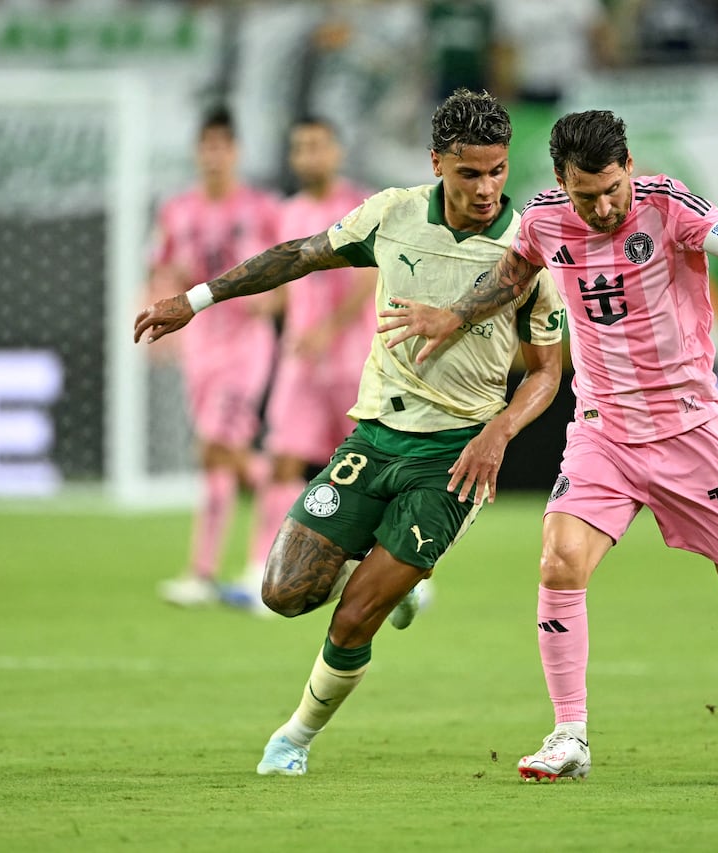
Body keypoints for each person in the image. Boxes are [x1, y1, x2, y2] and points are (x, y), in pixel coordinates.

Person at [379, 109, 718, 781]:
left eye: (612, 189)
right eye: (587, 194)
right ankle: (569, 735)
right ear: (559, 181)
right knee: (559, 561)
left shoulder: (668, 205)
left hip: (691, 430)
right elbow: (514, 274)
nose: (603, 207)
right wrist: (454, 315)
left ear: (629, 165)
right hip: (604, 429)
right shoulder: (546, 218)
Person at [134, 89, 565, 776]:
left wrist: (502, 431)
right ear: (437, 163)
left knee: (354, 614)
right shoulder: (392, 215)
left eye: (497, 171)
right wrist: (196, 299)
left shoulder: (530, 249)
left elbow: (547, 371)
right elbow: (300, 255)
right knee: (284, 592)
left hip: (454, 456)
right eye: (469, 173)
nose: (486, 189)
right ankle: (403, 582)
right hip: (374, 439)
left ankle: (294, 737)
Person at [222, 116, 380, 615]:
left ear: (336, 151)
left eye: (317, 146)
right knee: (283, 462)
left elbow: (370, 275)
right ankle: (260, 568)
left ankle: (393, 570)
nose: (308, 156)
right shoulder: (284, 214)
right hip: (300, 364)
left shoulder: (361, 206)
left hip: (355, 359)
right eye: (300, 147)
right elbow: (282, 280)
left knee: (375, 467)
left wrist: (328, 329)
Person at [146, 106, 281, 607]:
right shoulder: (176, 210)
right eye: (206, 145)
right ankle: (204, 573)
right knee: (214, 458)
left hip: (246, 346)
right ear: (197, 151)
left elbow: (291, 268)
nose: (214, 155)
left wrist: (272, 299)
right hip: (201, 344)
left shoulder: (263, 209)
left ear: (236, 152)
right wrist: (158, 319)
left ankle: (267, 553)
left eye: (222, 145)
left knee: (222, 448)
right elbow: (161, 272)